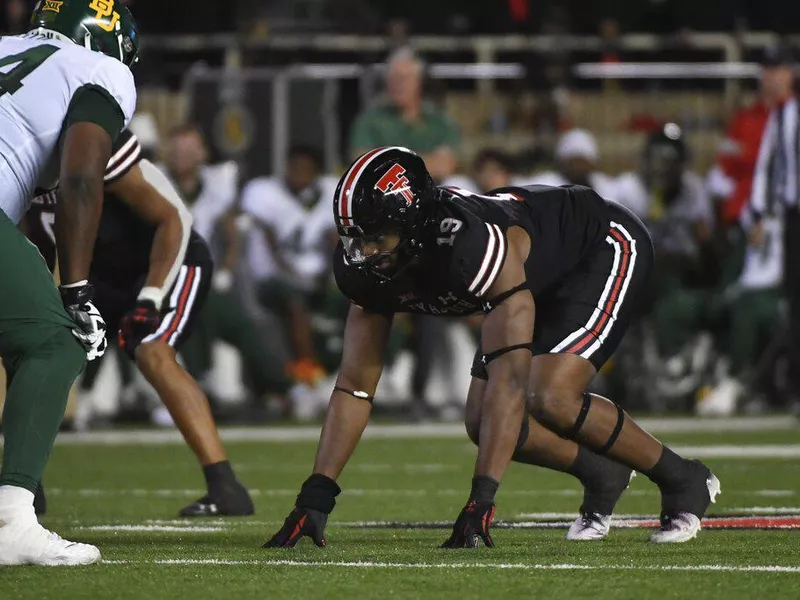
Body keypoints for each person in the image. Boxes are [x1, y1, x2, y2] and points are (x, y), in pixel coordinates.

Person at [264, 147, 720, 550]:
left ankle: (683, 478)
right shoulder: (367, 267)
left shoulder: (468, 246)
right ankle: (602, 473)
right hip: (529, 277)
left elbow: (511, 380)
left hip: (597, 247)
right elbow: (355, 385)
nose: (362, 252)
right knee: (482, 422)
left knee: (550, 396)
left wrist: (481, 499)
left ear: (415, 225)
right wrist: (316, 494)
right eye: (354, 238)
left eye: (375, 237)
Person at [23, 129, 256, 518]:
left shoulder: (92, 142)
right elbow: (37, 245)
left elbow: (174, 218)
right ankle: (24, 485)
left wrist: (150, 299)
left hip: (165, 263)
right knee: (32, 348)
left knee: (152, 352)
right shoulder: (19, 160)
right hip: (101, 279)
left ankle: (225, 486)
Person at [0, 0, 137, 566]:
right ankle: (11, 519)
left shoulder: (8, 48)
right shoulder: (98, 71)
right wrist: (75, 291)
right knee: (56, 343)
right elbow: (82, 175)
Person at [162, 124, 294, 412]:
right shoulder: (153, 178)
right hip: (163, 276)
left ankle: (284, 387)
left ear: (203, 153)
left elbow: (231, 233)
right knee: (194, 311)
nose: (181, 156)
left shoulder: (217, 182)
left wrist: (225, 270)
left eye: (188, 149)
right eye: (176, 150)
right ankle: (199, 378)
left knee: (245, 324)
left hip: (203, 277)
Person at [241, 145, 337, 386]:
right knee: (294, 301)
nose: (299, 174)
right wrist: (295, 275)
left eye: (306, 169)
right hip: (273, 279)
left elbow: (334, 241)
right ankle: (309, 375)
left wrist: (329, 276)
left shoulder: (330, 192)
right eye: (295, 168)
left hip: (318, 279)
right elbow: (271, 245)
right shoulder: (264, 192)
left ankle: (356, 373)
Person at [707, 46, 795, 226]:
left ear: (789, 73)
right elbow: (726, 161)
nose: (770, 75)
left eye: (777, 69)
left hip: (787, 211)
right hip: (743, 209)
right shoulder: (744, 118)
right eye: (766, 69)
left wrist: (746, 154)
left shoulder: (795, 117)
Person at [349, 46, 461, 183]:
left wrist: (390, 163)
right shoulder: (370, 121)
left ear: (420, 82)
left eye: (405, 78)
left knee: (459, 182)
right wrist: (426, 161)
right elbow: (362, 166)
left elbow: (445, 166)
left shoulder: (439, 120)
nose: (398, 84)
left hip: (431, 189)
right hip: (384, 192)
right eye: (394, 78)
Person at [520, 129, 618, 199]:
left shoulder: (603, 185)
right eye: (575, 161)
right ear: (564, 162)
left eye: (583, 161)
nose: (579, 167)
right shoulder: (545, 184)